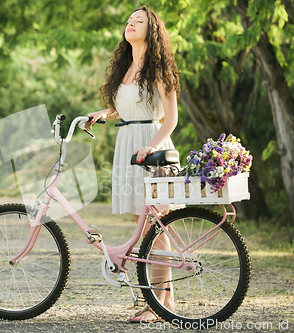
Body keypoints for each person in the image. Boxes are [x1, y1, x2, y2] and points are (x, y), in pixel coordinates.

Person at [87, 6, 181, 323]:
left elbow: (171, 119)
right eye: (129, 20)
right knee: (149, 227)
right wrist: (104, 114)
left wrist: (150, 148)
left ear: (151, 30)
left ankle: (158, 304)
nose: (130, 23)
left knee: (156, 226)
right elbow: (128, 107)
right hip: (128, 143)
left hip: (151, 146)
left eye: (138, 21)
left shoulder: (158, 68)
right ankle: (163, 300)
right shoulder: (127, 67)